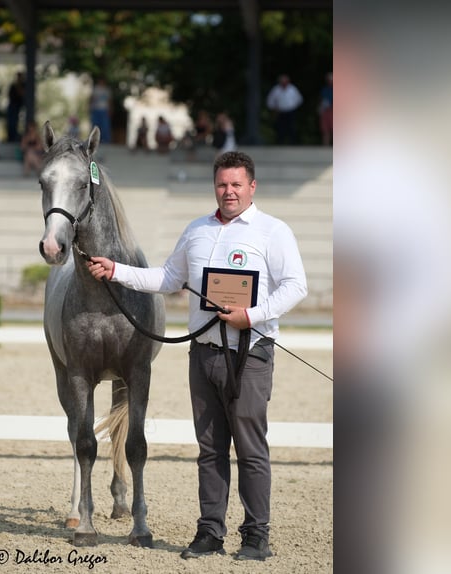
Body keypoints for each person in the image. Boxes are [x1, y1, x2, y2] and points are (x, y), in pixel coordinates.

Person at [86, 151, 307, 562]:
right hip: (203, 353)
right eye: (223, 184)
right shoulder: (197, 231)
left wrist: (251, 315)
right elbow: (168, 279)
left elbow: (296, 286)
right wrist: (115, 270)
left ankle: (256, 536)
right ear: (215, 186)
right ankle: (210, 532)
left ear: (252, 187)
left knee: (251, 448)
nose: (229, 191)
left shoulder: (273, 232)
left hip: (250, 353)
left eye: (237, 184)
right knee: (209, 449)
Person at [266, 74, 303, 144]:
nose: (284, 83)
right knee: (280, 127)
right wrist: (274, 108)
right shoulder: (276, 89)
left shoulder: (292, 89)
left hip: (290, 111)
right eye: (282, 81)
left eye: (285, 81)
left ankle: (293, 142)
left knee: (291, 127)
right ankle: (280, 142)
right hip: (280, 112)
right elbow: (270, 100)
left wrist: (293, 106)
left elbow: (299, 99)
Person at [89, 77, 112, 144]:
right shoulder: (95, 89)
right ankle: (93, 140)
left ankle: (105, 140)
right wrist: (90, 107)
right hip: (96, 109)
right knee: (95, 125)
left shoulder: (107, 90)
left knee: (105, 126)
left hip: (104, 110)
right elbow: (91, 99)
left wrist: (110, 110)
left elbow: (110, 101)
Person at [7, 72, 25, 143]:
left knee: (17, 124)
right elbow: (9, 96)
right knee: (11, 123)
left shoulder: (23, 85)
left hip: (19, 108)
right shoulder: (12, 85)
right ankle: (10, 138)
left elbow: (22, 94)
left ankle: (16, 138)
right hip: (12, 107)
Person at [318, 72, 333, 146]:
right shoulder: (324, 90)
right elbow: (321, 100)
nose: (330, 81)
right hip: (325, 111)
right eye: (329, 80)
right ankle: (325, 146)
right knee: (325, 129)